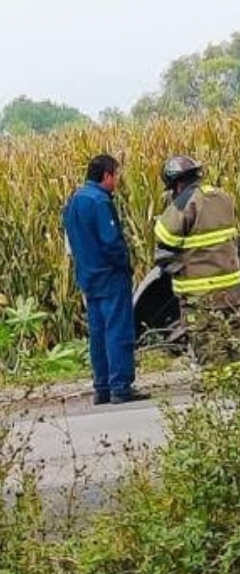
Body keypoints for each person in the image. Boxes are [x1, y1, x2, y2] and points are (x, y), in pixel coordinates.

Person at [61, 154, 146, 404]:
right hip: (109, 276)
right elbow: (111, 242)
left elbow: (71, 242)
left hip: (87, 277)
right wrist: (125, 264)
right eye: (116, 175)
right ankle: (120, 386)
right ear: (106, 175)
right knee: (118, 331)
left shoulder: (73, 201)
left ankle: (102, 388)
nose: (117, 180)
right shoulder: (100, 202)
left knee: (97, 334)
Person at [154, 155, 240, 365]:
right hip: (232, 289)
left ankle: (218, 388)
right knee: (236, 338)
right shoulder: (223, 196)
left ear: (176, 184)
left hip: (201, 294)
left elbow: (165, 239)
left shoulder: (184, 202)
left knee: (209, 343)